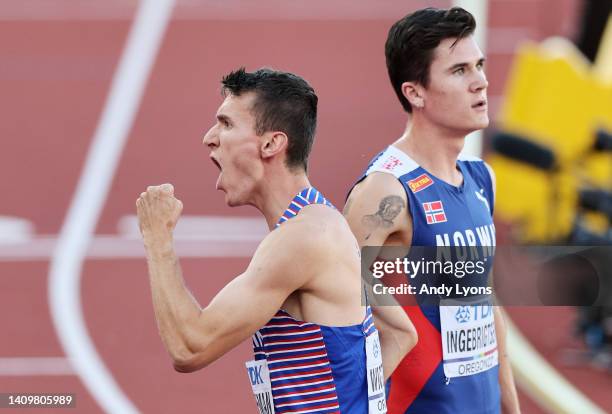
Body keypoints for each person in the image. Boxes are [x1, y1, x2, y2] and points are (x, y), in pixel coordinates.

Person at [136, 68, 417, 413]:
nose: (209, 138)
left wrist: (157, 238)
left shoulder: (304, 238)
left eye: (226, 124)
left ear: (271, 143)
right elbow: (400, 332)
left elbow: (189, 348)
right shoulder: (322, 223)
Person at [344, 7, 521, 414]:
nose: (481, 82)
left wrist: (509, 405)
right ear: (415, 92)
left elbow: (485, 300)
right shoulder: (386, 191)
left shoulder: (481, 180)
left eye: (479, 65)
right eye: (459, 71)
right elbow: (335, 303)